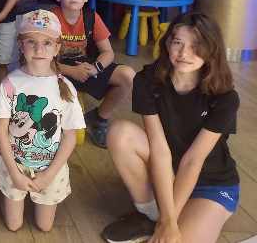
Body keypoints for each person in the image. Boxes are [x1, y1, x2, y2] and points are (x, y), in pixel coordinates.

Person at [102, 13, 240, 243]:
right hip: (165, 172)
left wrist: (169, 223)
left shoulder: (225, 97)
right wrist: (166, 221)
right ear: (167, 43)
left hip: (211, 182)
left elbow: (193, 161)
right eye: (178, 43)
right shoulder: (147, 80)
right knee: (120, 133)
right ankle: (151, 214)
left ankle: (164, 218)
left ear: (212, 49)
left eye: (196, 46)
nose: (184, 54)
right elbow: (159, 148)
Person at [0, 9, 85, 233]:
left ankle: (27, 193)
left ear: (57, 48)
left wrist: (49, 175)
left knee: (44, 226)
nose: (39, 49)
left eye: (47, 43)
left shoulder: (65, 88)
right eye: (31, 42)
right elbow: (0, 130)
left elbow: (70, 137)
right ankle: (7, 193)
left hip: (50, 168)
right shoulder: (10, 83)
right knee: (13, 225)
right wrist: (14, 173)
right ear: (21, 46)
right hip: (15, 165)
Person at [51, 0, 135, 148]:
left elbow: (108, 52)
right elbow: (39, 60)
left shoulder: (91, 17)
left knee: (127, 75)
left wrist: (95, 67)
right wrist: (71, 71)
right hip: (57, 70)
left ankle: (99, 118)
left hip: (86, 65)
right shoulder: (50, 18)